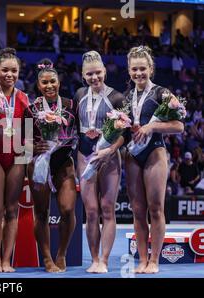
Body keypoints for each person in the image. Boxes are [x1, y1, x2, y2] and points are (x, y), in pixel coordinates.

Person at [125, 46, 184, 273]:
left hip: (155, 152)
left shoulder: (162, 93)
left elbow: (178, 126)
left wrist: (152, 126)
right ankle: (142, 259)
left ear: (150, 69)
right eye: (134, 69)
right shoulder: (128, 96)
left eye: (143, 68)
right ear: (129, 71)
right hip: (132, 156)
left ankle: (155, 260)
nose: (139, 73)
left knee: (156, 208)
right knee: (138, 209)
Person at [25, 58, 78, 272]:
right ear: (39, 85)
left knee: (67, 209)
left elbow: (79, 133)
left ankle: (62, 254)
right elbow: (23, 139)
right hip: (38, 164)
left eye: (52, 82)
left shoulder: (71, 105)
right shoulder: (31, 109)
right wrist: (32, 147)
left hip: (63, 163)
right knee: (41, 212)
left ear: (59, 82)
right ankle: (47, 259)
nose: (49, 86)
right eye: (44, 83)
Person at [74, 51, 126, 273]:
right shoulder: (78, 95)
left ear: (104, 71)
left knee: (107, 208)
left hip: (110, 157)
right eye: (89, 74)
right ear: (83, 75)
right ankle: (94, 258)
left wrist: (111, 150)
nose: (94, 78)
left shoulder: (117, 98)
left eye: (98, 73)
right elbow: (75, 128)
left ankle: (104, 260)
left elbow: (126, 133)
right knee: (91, 210)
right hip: (84, 155)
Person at [0, 48, 29, 273]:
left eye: (14, 70)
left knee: (12, 210)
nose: (9, 74)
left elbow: (30, 132)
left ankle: (7, 260)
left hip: (17, 157)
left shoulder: (24, 97)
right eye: (5, 70)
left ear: (19, 72)